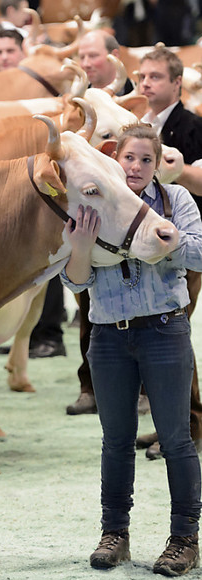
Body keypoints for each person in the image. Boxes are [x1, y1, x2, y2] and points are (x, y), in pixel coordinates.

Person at [60, 122, 202, 576]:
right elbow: (74, 280)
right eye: (129, 158)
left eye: (146, 159)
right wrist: (80, 247)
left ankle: (184, 539)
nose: (137, 166)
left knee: (177, 440)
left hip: (164, 330)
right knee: (115, 441)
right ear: (113, 160)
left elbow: (200, 253)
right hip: (108, 336)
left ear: (158, 163)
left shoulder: (175, 201)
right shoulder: (94, 203)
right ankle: (114, 534)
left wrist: (165, 240)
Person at [133, 47, 202, 456]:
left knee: (173, 333)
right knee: (159, 333)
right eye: (142, 76)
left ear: (178, 82)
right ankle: (169, 424)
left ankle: (189, 424)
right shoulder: (138, 124)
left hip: (186, 241)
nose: (145, 83)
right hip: (146, 242)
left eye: (155, 77)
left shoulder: (192, 126)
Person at [66, 30, 135, 412]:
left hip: (123, 210)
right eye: (82, 56)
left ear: (114, 55)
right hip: (87, 209)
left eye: (94, 55)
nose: (87, 62)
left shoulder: (121, 106)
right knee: (87, 301)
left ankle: (138, 387)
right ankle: (89, 384)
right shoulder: (73, 105)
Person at [77, 30, 134, 95]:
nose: (86, 64)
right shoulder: (77, 100)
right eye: (82, 57)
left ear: (114, 55)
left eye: (93, 56)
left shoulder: (137, 94)